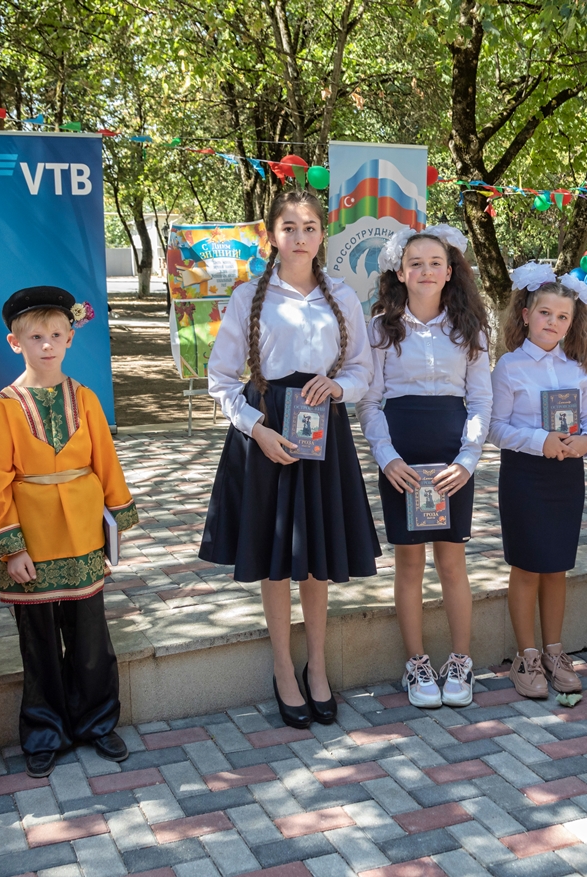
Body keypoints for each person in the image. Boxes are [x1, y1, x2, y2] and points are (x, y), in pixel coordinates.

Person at [201, 190, 379, 728]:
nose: (300, 238)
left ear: (322, 235)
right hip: (269, 436)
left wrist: (338, 384)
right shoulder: (247, 298)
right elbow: (221, 379)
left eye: (309, 228)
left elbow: (362, 370)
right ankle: (283, 669)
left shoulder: (344, 297)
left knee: (317, 559)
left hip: (325, 435)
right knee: (276, 558)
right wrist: (257, 430)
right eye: (289, 228)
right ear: (271, 235)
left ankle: (317, 667)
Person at [0, 286, 139, 778]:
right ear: (15, 343)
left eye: (55, 334)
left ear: (70, 338)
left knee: (91, 636)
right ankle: (45, 730)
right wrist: (11, 549)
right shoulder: (4, 406)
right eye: (35, 336)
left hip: (83, 537)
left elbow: (106, 462)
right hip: (34, 540)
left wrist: (118, 520)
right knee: (40, 641)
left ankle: (96, 722)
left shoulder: (86, 398)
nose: (46, 344)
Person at [357, 225, 491, 708]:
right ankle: (416, 663)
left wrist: (469, 459)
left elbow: (480, 400)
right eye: (415, 263)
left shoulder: (470, 329)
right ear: (399, 271)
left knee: (452, 561)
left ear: (450, 271)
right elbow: (370, 404)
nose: (425, 271)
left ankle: (460, 659)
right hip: (402, 459)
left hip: (453, 459)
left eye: (435, 262)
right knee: (409, 562)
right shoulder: (378, 330)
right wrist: (387, 458)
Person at [489, 265, 587, 698]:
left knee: (557, 567)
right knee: (527, 568)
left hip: (567, 476)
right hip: (525, 475)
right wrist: (540, 441)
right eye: (544, 314)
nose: (552, 323)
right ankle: (527, 655)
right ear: (525, 314)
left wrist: (586, 442)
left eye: (562, 317)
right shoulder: (509, 367)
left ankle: (555, 652)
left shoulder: (577, 367)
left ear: (572, 324)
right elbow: (495, 428)